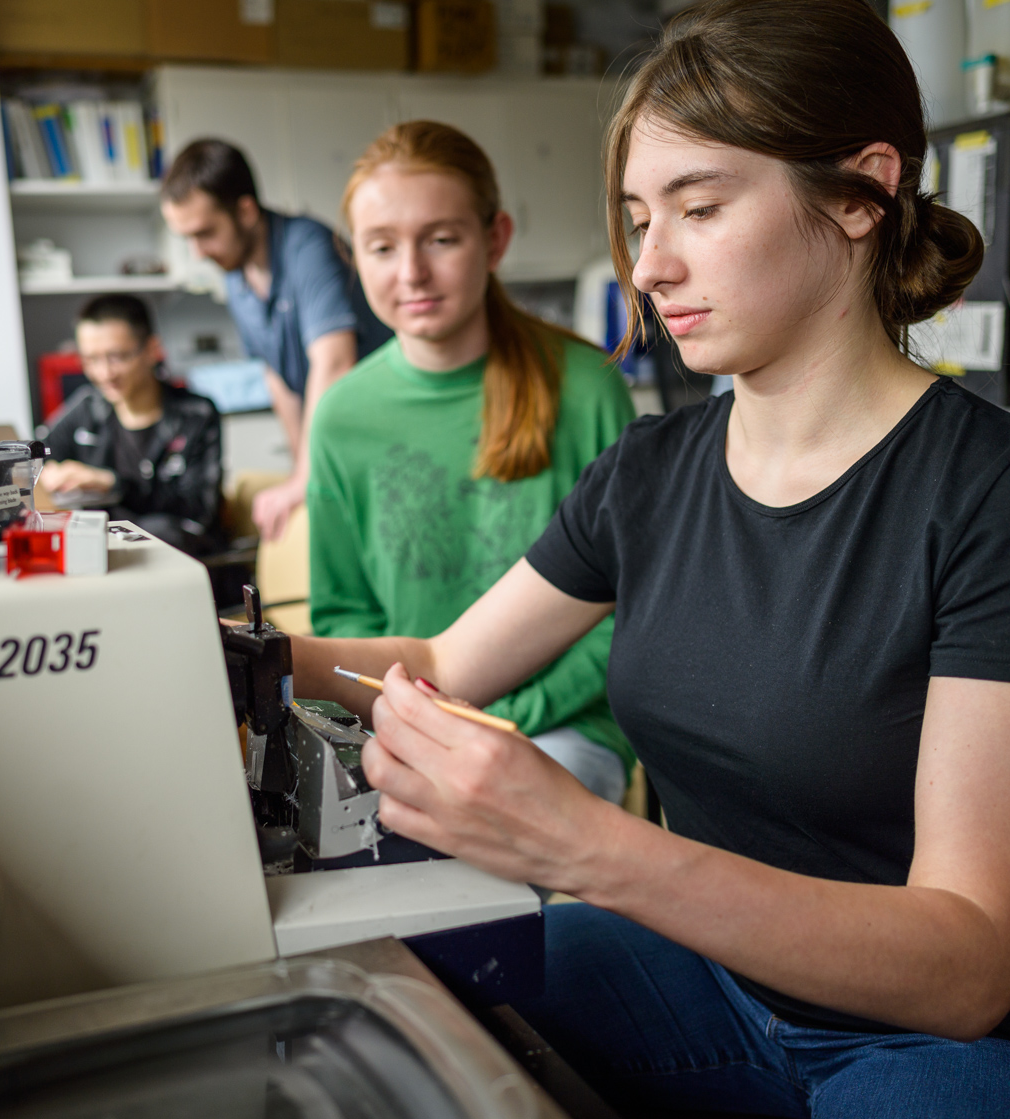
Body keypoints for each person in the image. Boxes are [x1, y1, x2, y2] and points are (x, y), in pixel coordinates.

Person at [286, 1, 1010, 1119]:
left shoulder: (1007, 492)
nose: (649, 265)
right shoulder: (651, 471)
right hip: (712, 973)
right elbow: (439, 657)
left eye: (699, 207)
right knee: (364, 1015)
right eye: (643, 219)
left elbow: (968, 961)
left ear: (860, 191)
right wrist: (224, 647)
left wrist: (587, 846)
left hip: (961, 1043)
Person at [309, 121, 636, 803]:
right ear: (354, 258)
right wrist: (417, 719)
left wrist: (503, 719)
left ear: (495, 240)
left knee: (484, 839)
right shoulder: (342, 414)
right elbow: (343, 615)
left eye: (441, 239)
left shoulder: (585, 387)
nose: (412, 273)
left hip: (562, 726)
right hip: (408, 722)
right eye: (382, 246)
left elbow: (628, 611)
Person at [160, 138, 391, 541]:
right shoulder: (236, 279)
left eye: (206, 233)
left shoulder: (308, 246)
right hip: (339, 442)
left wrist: (307, 476)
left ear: (245, 211)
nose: (198, 253)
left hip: (384, 432)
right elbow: (278, 378)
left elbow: (333, 361)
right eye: (188, 239)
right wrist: (301, 469)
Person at [37, 294, 223, 556]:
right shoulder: (88, 407)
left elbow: (197, 510)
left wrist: (111, 483)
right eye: (91, 360)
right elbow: (37, 452)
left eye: (118, 357)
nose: (105, 374)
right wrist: (45, 473)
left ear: (151, 350)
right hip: (102, 555)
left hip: (176, 555)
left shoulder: (195, 415)